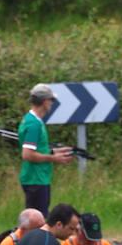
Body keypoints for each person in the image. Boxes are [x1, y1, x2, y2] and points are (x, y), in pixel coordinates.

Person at [18, 84, 74, 214]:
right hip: (36, 178)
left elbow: (37, 148)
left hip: (38, 177)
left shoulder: (32, 121)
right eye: (51, 100)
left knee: (38, 217)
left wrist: (56, 151)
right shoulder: (34, 124)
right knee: (37, 219)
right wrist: (54, 158)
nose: (52, 104)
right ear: (44, 101)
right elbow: (27, 154)